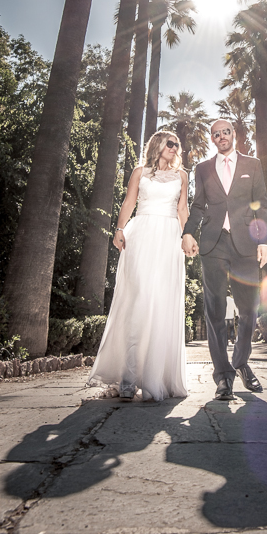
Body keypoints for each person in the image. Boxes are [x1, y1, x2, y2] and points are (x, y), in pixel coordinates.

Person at [87, 131, 189, 401]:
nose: (175, 147)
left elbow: (183, 210)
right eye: (170, 143)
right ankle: (129, 378)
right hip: (141, 235)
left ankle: (158, 377)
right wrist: (119, 229)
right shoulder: (140, 172)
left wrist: (187, 236)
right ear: (157, 145)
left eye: (177, 144)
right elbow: (129, 202)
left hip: (169, 240)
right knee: (139, 300)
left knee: (162, 303)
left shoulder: (182, 176)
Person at [182, 119, 267, 401]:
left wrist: (265, 240)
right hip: (213, 243)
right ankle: (223, 378)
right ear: (212, 138)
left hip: (246, 245)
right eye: (216, 134)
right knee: (215, 312)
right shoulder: (203, 168)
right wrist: (187, 233)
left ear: (234, 134)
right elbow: (197, 205)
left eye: (226, 132)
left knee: (249, 310)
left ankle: (241, 362)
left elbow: (261, 203)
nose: (221, 137)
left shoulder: (253, 164)